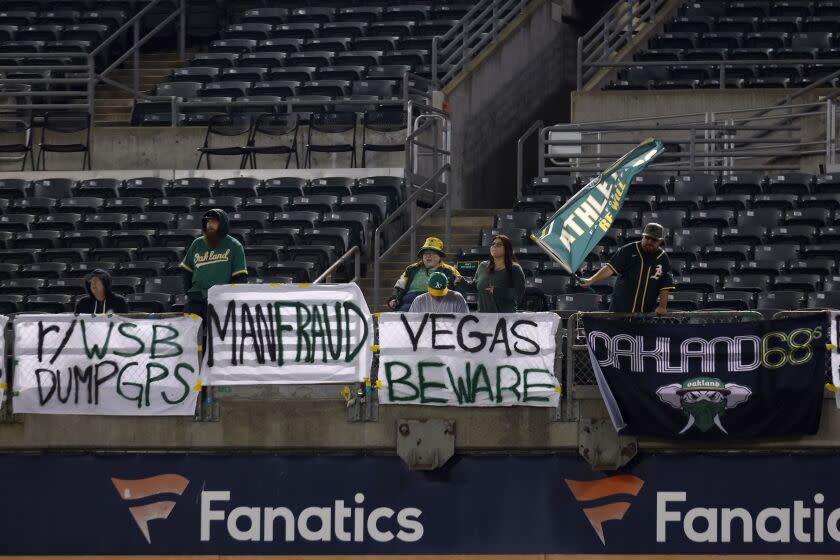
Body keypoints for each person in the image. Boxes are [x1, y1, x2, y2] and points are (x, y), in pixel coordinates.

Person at [580, 222, 675, 314]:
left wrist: (662, 307)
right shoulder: (629, 250)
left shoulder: (663, 258)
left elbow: (665, 286)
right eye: (647, 238)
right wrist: (591, 280)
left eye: (654, 240)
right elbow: (610, 268)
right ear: (643, 236)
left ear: (661, 241)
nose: (649, 241)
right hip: (620, 310)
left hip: (645, 313)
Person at [180, 208, 248, 316]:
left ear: (223, 224)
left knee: (215, 333)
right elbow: (186, 270)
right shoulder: (197, 243)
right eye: (208, 221)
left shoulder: (234, 245)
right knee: (190, 330)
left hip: (220, 300)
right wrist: (189, 291)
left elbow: (240, 276)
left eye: (214, 221)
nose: (210, 224)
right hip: (196, 299)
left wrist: (227, 297)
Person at [388, 236, 461, 312]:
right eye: (425, 253)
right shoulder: (411, 269)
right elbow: (399, 287)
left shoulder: (450, 271)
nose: (428, 256)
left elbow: (458, 292)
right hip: (409, 303)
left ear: (439, 256)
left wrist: (459, 284)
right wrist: (393, 299)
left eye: (432, 253)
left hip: (437, 304)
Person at [473, 234, 526, 313]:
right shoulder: (482, 266)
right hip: (483, 319)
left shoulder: (515, 268)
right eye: (493, 244)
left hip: (505, 320)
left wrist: (497, 291)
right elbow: (475, 286)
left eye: (499, 245)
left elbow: (518, 294)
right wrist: (461, 282)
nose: (494, 246)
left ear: (507, 249)